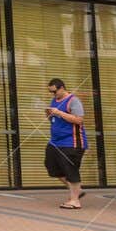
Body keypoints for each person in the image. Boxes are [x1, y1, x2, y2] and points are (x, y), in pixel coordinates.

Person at [44, 77, 88, 209]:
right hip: (55, 142)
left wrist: (59, 112)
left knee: (70, 169)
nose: (53, 94)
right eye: (50, 92)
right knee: (51, 165)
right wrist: (49, 114)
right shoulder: (54, 100)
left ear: (62, 88)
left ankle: (75, 201)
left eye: (54, 91)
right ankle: (77, 190)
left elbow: (78, 120)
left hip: (71, 142)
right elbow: (55, 120)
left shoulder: (73, 101)